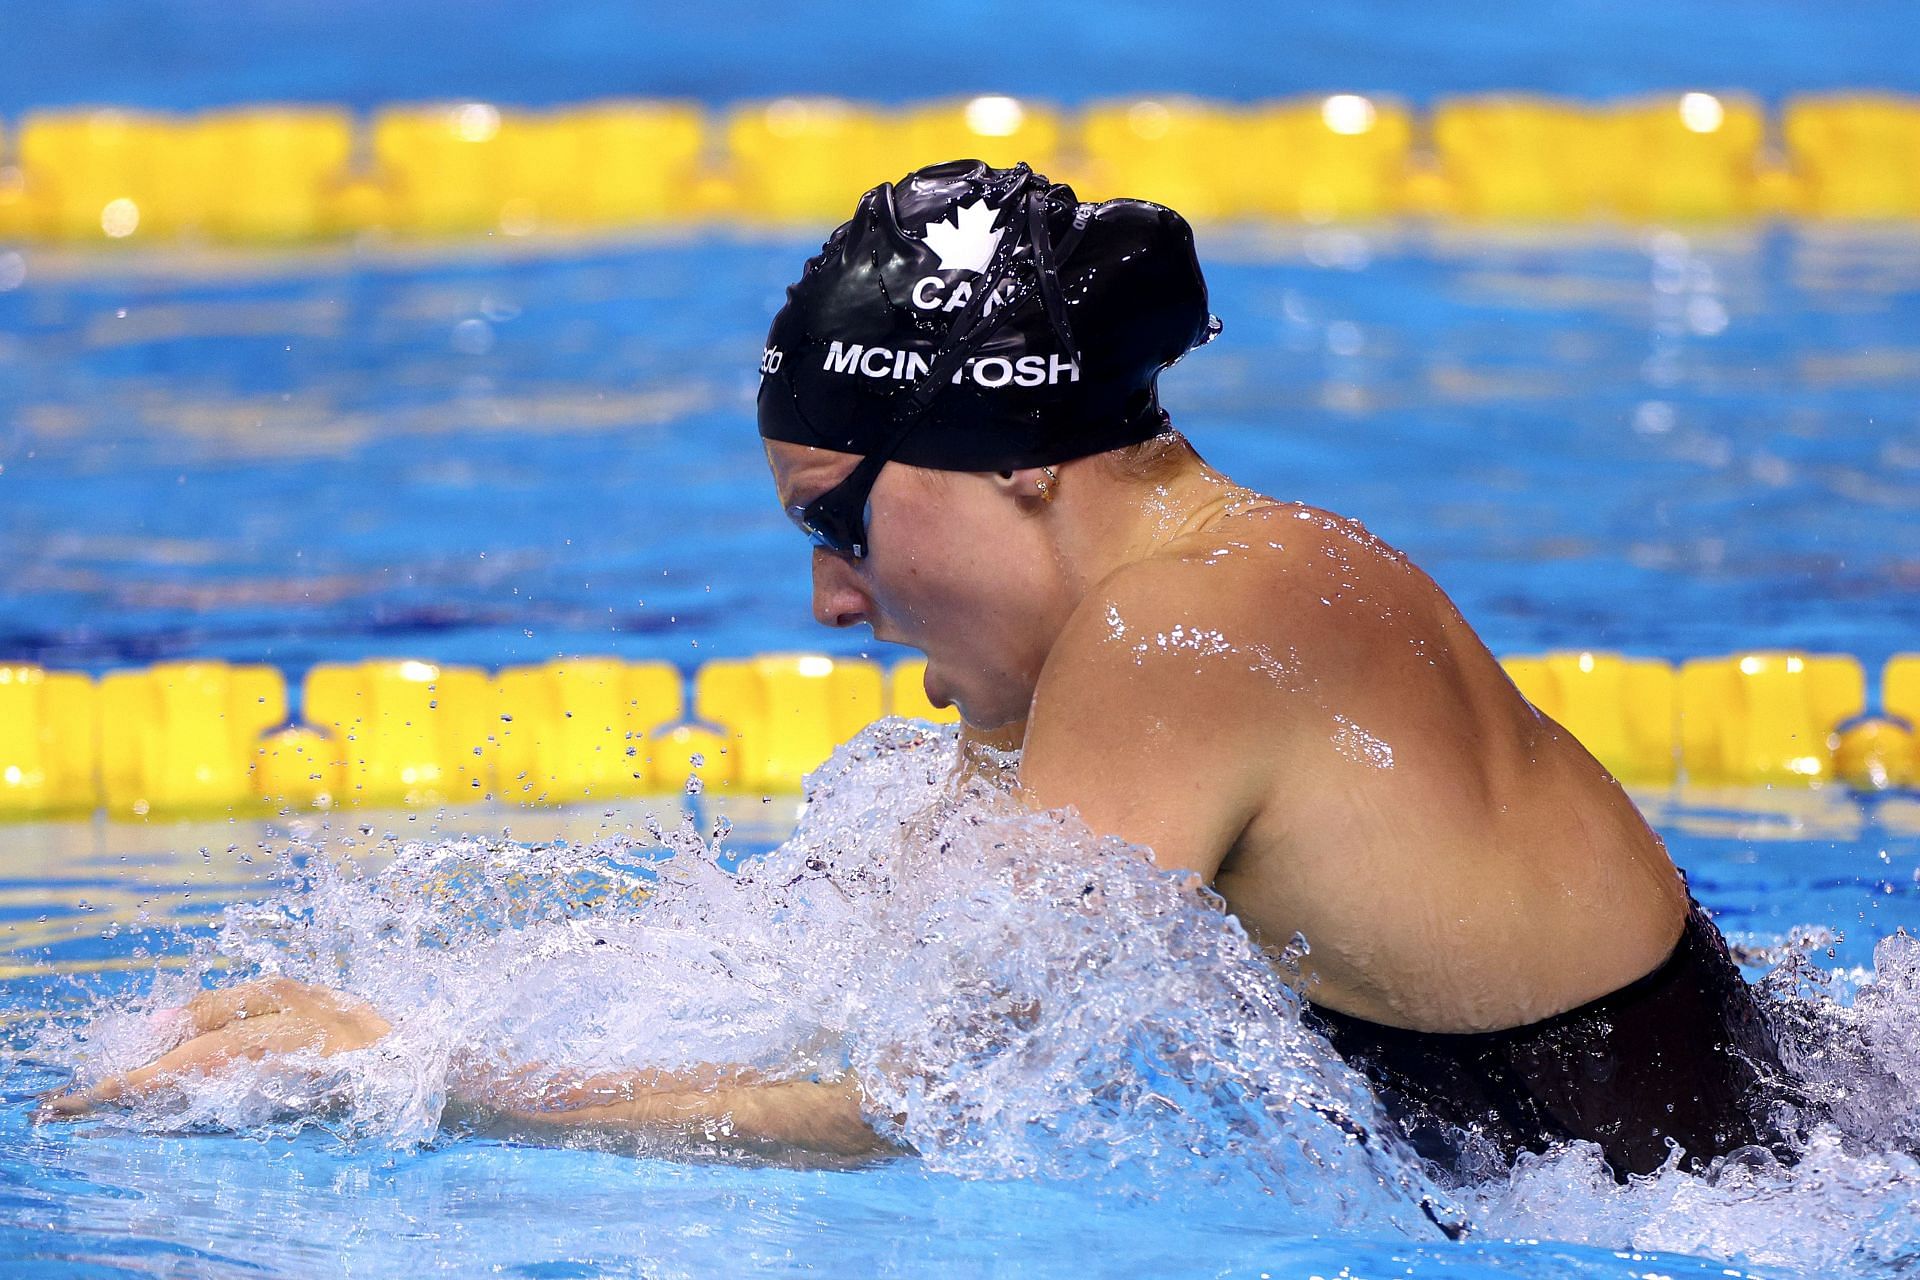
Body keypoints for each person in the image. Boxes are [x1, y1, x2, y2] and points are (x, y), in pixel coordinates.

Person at [47, 160, 1792, 1179]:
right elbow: (829, 971)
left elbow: (913, 1105)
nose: (830, 605)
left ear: (1005, 455)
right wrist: (429, 1005)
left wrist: (424, 1077)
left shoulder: (1191, 635)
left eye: (843, 526)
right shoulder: (1183, 611)